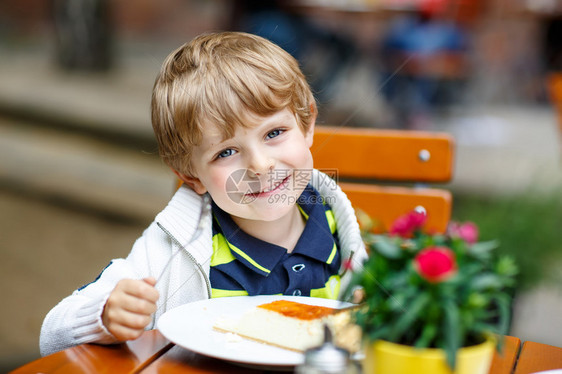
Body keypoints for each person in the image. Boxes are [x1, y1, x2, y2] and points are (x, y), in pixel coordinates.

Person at [39, 31, 367, 356]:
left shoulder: (343, 235)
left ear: (307, 123)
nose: (260, 166)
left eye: (274, 133)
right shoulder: (172, 251)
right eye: (226, 153)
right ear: (190, 175)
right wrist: (106, 317)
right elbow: (54, 335)